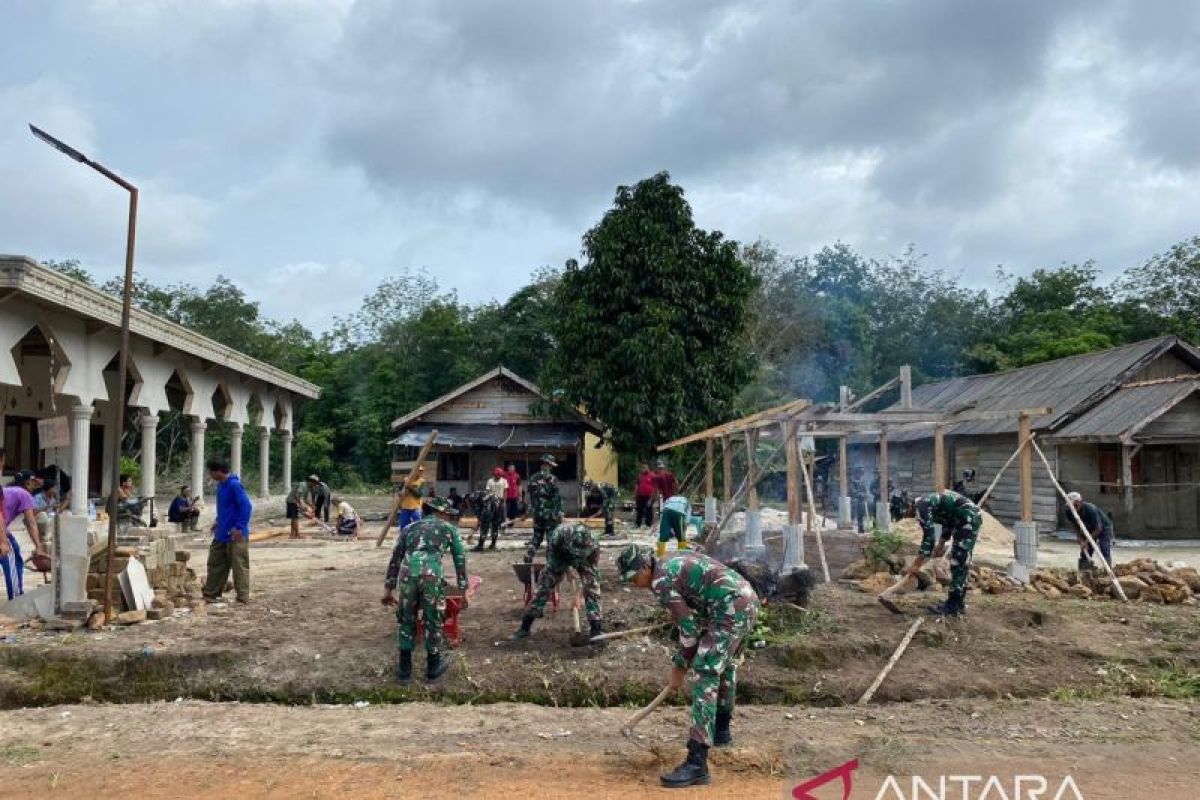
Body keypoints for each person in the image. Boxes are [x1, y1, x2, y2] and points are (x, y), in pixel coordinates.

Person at [616, 544, 760, 788]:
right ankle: (722, 734)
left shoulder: (660, 581)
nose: (633, 584)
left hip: (729, 608)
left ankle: (697, 762)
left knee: (705, 672)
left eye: (633, 578)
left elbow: (689, 630)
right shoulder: (669, 561)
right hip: (745, 600)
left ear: (644, 567)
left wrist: (679, 668)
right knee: (723, 667)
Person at [382, 496, 467, 684]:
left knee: (407, 620)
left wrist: (388, 589)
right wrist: (463, 589)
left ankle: (404, 673)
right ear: (440, 512)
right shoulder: (449, 529)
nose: (448, 517)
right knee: (433, 620)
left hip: (407, 575)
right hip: (431, 576)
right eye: (446, 514)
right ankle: (433, 669)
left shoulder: (409, 528)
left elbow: (395, 559)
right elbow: (459, 559)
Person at [510, 521, 603, 643]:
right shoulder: (557, 537)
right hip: (561, 555)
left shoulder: (592, 544)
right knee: (545, 584)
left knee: (592, 589)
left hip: (584, 559)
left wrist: (579, 595)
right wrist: (567, 570)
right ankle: (525, 627)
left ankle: (596, 630)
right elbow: (553, 560)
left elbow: (591, 576)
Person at [914, 489, 982, 617]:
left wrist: (916, 564)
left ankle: (953, 605)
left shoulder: (922, 506)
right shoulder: (928, 503)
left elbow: (929, 536)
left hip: (967, 519)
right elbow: (947, 520)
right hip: (962, 519)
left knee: (959, 562)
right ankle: (958, 603)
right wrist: (941, 544)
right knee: (959, 562)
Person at [202, 459, 253, 604]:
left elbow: (246, 506)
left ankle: (242, 597)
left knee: (239, 565)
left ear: (218, 471)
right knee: (215, 563)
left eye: (211, 472)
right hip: (221, 532)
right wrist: (218, 521)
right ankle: (211, 593)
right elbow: (225, 507)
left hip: (235, 534)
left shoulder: (234, 485)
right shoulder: (220, 486)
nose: (210, 475)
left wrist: (239, 527)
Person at [3, 468, 48, 601]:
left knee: (15, 550)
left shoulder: (9, 490)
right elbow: (30, 522)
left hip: (3, 528)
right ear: (28, 482)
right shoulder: (24, 494)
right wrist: (38, 546)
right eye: (33, 483)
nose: (35, 486)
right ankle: (16, 599)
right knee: (13, 560)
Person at [524, 454, 563, 562]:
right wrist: (560, 513)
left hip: (538, 513)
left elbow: (530, 497)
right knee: (551, 538)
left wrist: (528, 511)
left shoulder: (533, 478)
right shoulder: (553, 479)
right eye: (551, 465)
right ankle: (550, 560)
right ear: (549, 465)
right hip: (550, 514)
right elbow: (556, 499)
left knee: (537, 537)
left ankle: (529, 553)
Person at [1067, 491, 1114, 571]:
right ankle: (1085, 570)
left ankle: (1107, 571)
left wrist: (1086, 541)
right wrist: (1079, 537)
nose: (1074, 507)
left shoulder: (1090, 509)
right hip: (1088, 528)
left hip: (1103, 528)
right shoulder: (1069, 511)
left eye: (1075, 504)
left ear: (1080, 502)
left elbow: (1098, 529)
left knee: (1104, 547)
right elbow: (1075, 524)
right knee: (1086, 550)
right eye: (1071, 505)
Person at [475, 468, 508, 552]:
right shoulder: (490, 481)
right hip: (490, 503)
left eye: (499, 475)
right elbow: (487, 491)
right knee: (485, 524)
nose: (498, 477)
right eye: (497, 475)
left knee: (496, 524)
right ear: (494, 474)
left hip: (499, 502)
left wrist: (504, 501)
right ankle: (481, 545)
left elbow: (505, 492)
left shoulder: (504, 481)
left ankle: (493, 544)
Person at [398, 466, 427, 531]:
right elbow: (399, 491)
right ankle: (404, 539)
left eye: (421, 471)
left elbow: (420, 494)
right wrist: (401, 493)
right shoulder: (406, 480)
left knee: (417, 525)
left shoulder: (422, 481)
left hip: (416, 507)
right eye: (419, 471)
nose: (420, 473)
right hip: (405, 507)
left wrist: (410, 488)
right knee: (404, 526)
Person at [635, 464, 657, 529]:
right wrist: (636, 494)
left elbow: (655, 487)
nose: (644, 469)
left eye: (645, 468)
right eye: (642, 468)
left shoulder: (652, 476)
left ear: (648, 468)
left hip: (649, 496)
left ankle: (648, 524)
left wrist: (652, 497)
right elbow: (637, 485)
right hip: (641, 496)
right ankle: (638, 524)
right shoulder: (640, 476)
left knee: (649, 510)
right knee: (639, 509)